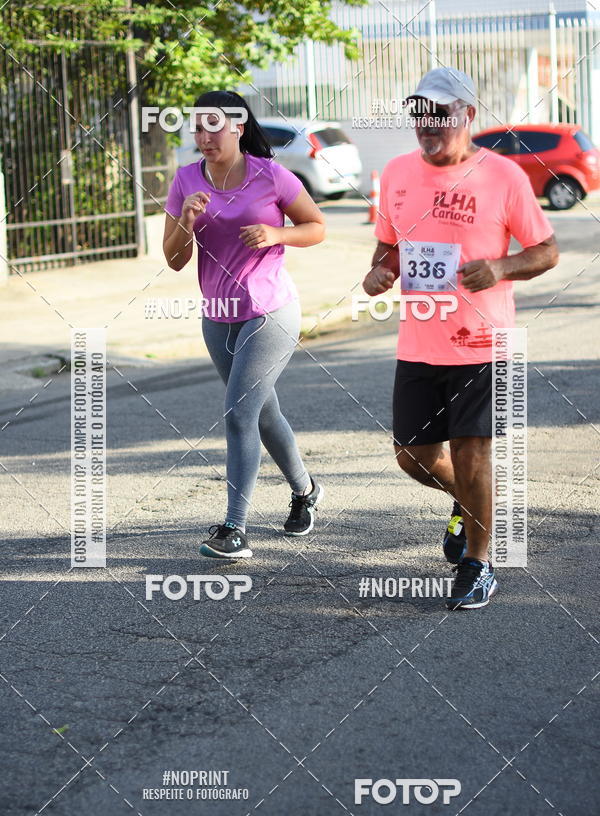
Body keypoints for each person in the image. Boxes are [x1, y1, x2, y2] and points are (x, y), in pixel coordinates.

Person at [362, 67, 558, 609]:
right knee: (412, 456)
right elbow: (387, 251)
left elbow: (546, 251)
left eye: (439, 114)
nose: (427, 125)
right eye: (419, 115)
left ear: (467, 115)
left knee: (473, 454)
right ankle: (468, 504)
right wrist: (377, 274)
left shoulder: (504, 176)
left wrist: (501, 267)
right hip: (418, 344)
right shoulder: (397, 173)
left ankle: (478, 561)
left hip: (481, 342)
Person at [163, 90, 325, 559]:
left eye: (213, 126)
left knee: (238, 413)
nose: (204, 136)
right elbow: (174, 261)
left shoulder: (269, 174)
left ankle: (234, 528)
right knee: (263, 412)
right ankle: (305, 490)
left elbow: (316, 226)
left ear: (237, 126)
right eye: (197, 127)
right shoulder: (185, 180)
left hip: (269, 313)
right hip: (217, 319)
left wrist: (278, 233)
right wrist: (187, 221)